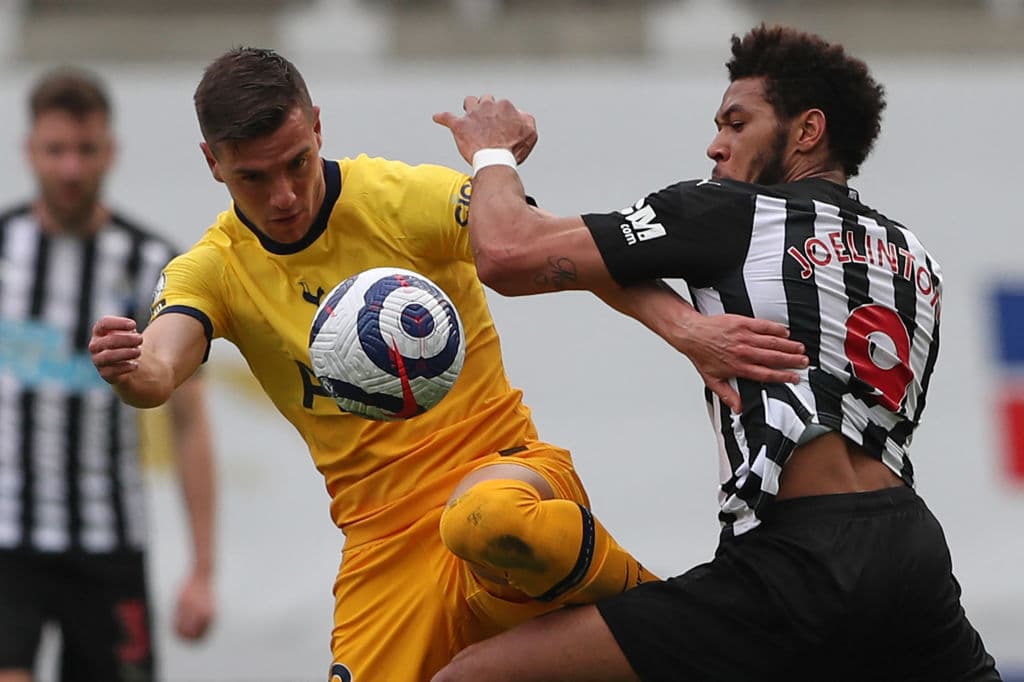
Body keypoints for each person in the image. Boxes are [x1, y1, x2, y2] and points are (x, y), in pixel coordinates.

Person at [87, 47, 808, 681]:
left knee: (488, 519)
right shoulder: (210, 269)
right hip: (381, 542)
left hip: (500, 466)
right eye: (251, 178)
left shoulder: (400, 199)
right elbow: (161, 367)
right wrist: (132, 369)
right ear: (212, 162)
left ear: (317, 127)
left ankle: (665, 619)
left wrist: (687, 330)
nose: (283, 196)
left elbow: (567, 251)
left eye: (296, 164)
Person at [431, 23, 1002, 682]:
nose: (716, 144)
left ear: (807, 130)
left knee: (471, 676)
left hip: (797, 559)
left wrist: (493, 153)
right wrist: (680, 323)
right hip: (911, 552)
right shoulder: (911, 254)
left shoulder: (730, 212)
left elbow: (507, 252)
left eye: (736, 123)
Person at [0, 69, 217, 682]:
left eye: (85, 150)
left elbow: (190, 422)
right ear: (30, 152)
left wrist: (202, 570)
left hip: (109, 541)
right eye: (56, 150)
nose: (71, 168)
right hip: (7, 541)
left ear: (110, 152)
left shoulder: (152, 264)